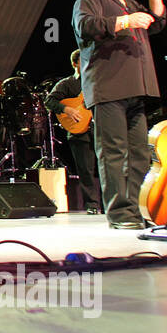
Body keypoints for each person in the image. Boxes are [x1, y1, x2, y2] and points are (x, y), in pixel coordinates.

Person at [73, 0, 165, 229]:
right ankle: (119, 214)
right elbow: (85, 26)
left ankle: (136, 210)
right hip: (109, 85)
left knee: (139, 153)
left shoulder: (129, 0)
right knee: (113, 152)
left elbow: (157, 24)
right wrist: (125, 21)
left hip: (136, 86)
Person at [44, 49, 101, 213]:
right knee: (86, 170)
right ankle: (92, 206)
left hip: (99, 129)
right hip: (79, 132)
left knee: (107, 167)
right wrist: (66, 109)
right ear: (75, 64)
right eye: (83, 61)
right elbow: (49, 101)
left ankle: (110, 204)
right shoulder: (67, 84)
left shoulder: (97, 80)